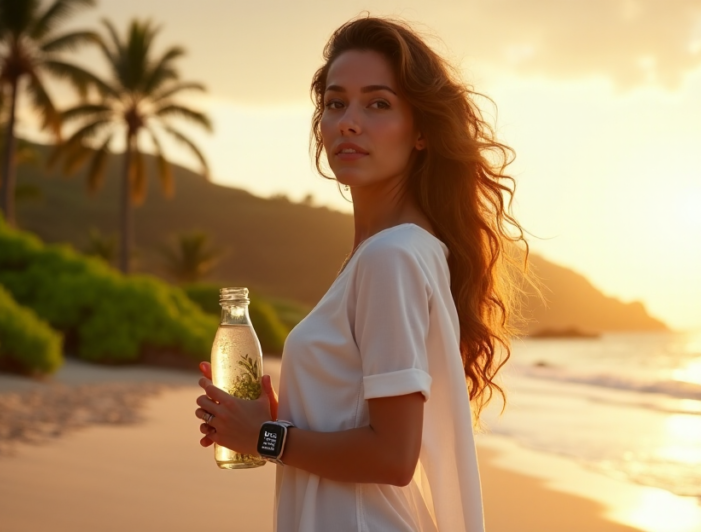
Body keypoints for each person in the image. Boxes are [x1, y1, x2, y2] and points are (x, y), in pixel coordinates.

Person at [194, 16, 528, 532]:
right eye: (335, 103)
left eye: (378, 103)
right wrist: (285, 417)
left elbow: (393, 458)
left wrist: (265, 436)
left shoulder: (390, 258)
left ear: (420, 131)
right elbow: (366, 427)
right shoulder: (396, 253)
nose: (349, 121)